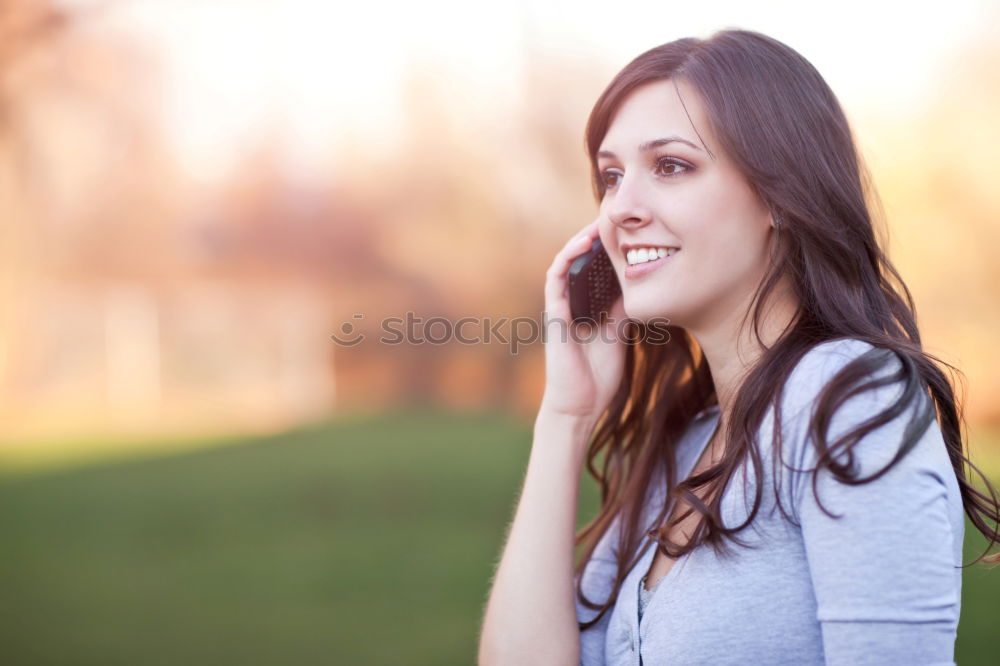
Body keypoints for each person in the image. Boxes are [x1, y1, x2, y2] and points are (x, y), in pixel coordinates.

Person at [477, 28, 1000, 666]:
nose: (619, 209)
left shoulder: (848, 401)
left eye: (670, 166)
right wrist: (566, 417)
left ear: (780, 195)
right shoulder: (681, 447)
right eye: (610, 177)